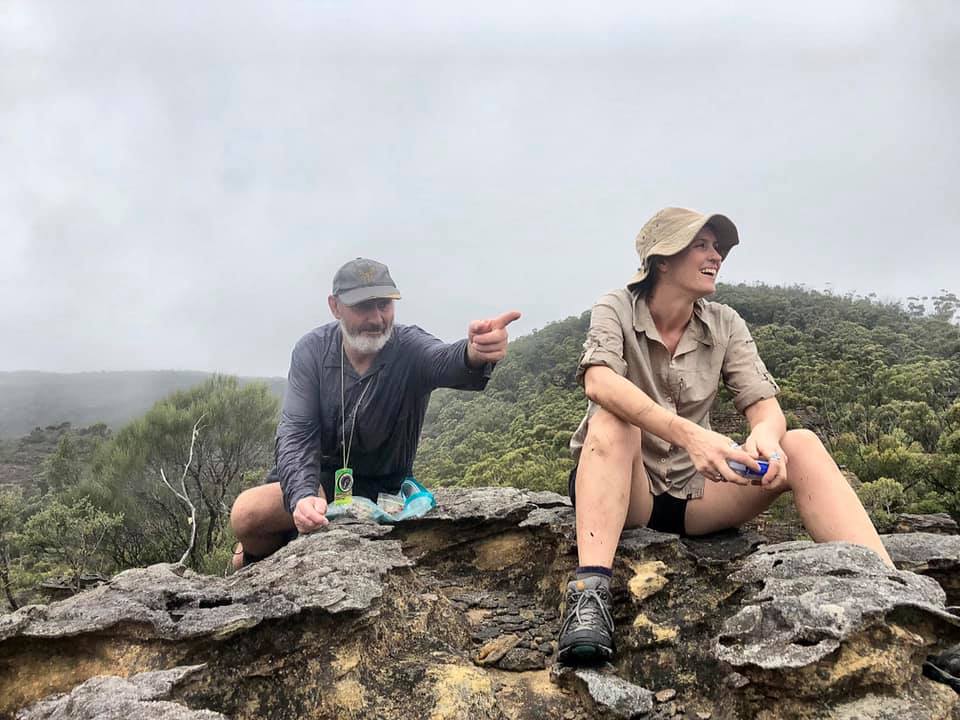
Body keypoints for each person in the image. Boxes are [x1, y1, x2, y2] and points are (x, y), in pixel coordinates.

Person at [557, 207, 893, 666]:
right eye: (701, 245)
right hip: (628, 494)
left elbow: (765, 406)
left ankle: (892, 597)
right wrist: (691, 436)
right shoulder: (615, 307)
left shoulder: (725, 323)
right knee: (613, 420)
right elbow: (598, 381)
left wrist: (765, 439)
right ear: (662, 261)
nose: (716, 256)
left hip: (697, 496)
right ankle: (589, 598)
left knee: (801, 444)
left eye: (717, 247)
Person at [230, 257, 520, 568]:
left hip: (379, 485)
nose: (377, 318)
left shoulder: (409, 347)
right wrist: (302, 493)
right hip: (315, 476)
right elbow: (296, 431)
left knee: (250, 517)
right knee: (246, 522)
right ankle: (258, 572)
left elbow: (445, 359)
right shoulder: (312, 350)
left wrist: (475, 353)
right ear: (335, 306)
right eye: (363, 306)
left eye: (384, 305)